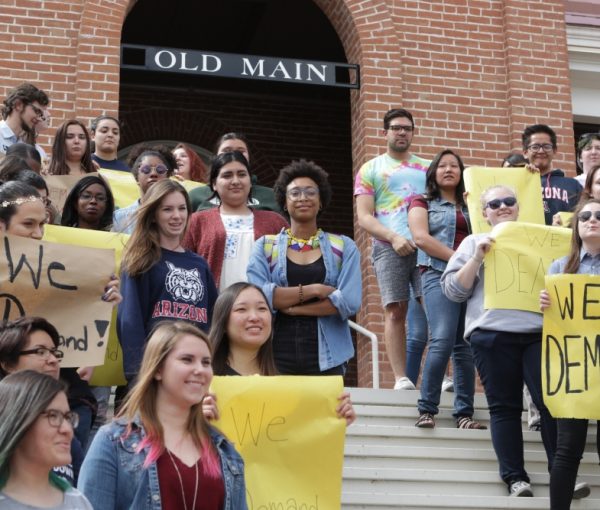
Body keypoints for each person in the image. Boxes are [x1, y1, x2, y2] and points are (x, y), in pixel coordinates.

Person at [440, 185, 557, 497]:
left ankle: (561, 474)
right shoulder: (473, 241)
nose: (503, 206)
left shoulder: (539, 239)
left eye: (509, 201)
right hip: (491, 335)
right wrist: (477, 258)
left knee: (551, 403)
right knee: (504, 407)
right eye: (495, 203)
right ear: (484, 212)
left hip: (537, 332)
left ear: (518, 207)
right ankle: (515, 478)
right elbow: (453, 291)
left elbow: (561, 283)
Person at [78, 321, 247, 510]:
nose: (200, 370)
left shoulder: (226, 451)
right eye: (187, 359)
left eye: (206, 362)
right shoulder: (113, 442)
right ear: (158, 369)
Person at [247, 159, 361, 375]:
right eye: (295, 193)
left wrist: (292, 308)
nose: (303, 198)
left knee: (324, 410)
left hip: (328, 357)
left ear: (321, 201)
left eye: (310, 192)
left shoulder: (343, 246)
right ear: (284, 201)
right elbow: (259, 297)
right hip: (275, 351)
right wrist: (315, 290)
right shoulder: (265, 246)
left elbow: (348, 301)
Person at [354, 108, 430, 389]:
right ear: (384, 132)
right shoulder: (370, 168)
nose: (402, 132)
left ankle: (443, 375)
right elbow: (364, 216)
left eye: (407, 128)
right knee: (395, 311)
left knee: (434, 308)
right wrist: (394, 237)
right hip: (388, 246)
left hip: (426, 246)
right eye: (396, 127)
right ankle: (401, 378)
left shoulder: (429, 167)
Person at [208, 281, 355, 425]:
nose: (254, 317)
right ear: (223, 320)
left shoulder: (284, 386)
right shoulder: (204, 381)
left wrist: (335, 419)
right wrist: (194, 419)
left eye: (262, 309)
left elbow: (298, 436)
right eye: (241, 309)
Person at [407, 149, 483, 429]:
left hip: (471, 279)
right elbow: (420, 238)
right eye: (442, 166)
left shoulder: (473, 205)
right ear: (433, 173)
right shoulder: (422, 202)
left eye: (455, 166)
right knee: (441, 339)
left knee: (465, 345)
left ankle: (464, 413)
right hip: (437, 274)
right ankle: (427, 408)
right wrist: (460, 259)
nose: (449, 169)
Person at [118, 179, 218, 383]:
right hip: (154, 371)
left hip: (195, 371)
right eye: (167, 209)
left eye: (182, 209)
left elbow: (214, 319)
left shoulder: (199, 264)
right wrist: (138, 374)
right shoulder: (140, 260)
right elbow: (129, 322)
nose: (176, 216)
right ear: (154, 215)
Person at [541, 198, 600, 509]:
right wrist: (546, 307)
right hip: (574, 367)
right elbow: (554, 323)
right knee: (567, 448)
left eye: (599, 215)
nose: (592, 219)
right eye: (585, 215)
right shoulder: (559, 268)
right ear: (576, 227)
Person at [183, 151, 288, 291]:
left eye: (242, 174)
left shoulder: (275, 222)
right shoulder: (197, 221)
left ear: (250, 181)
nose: (236, 181)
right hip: (212, 309)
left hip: (262, 309)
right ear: (214, 184)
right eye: (227, 175)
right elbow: (182, 266)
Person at [0, 370, 93, 509]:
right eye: (53, 416)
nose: (67, 429)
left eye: (68, 417)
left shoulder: (78, 502)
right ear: (16, 421)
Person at [188, 132, 281, 213]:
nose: (234, 155)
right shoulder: (195, 195)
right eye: (226, 150)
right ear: (215, 157)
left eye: (240, 151)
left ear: (249, 157)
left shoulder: (271, 196)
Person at [522, 124, 581, 225]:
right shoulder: (518, 183)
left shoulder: (573, 185)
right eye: (535, 147)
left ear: (554, 151)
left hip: (562, 239)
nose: (541, 151)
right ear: (525, 152)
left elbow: (583, 216)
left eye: (546, 146)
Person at [112, 144, 175, 234]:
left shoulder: (178, 216)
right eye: (146, 169)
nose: (153, 173)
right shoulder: (119, 218)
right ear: (136, 178)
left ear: (168, 177)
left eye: (160, 169)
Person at [0, 83, 49, 158]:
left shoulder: (27, 146)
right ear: (18, 105)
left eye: (41, 115)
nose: (39, 118)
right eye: (37, 111)